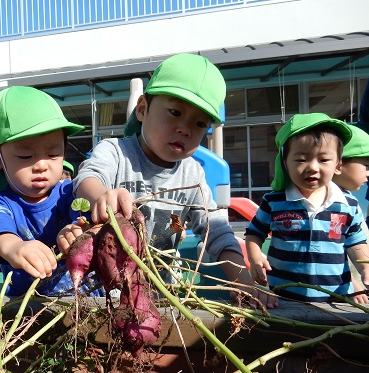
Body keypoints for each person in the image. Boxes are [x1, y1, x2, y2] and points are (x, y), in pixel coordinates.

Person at [67, 53, 274, 308]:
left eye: (200, 123)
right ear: (142, 109)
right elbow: (87, 178)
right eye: (175, 112)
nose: (185, 129)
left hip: (160, 298)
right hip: (105, 296)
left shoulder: (193, 174)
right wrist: (100, 195)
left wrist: (244, 283)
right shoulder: (115, 152)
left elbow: (217, 231)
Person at [0, 85, 102, 297]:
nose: (42, 166)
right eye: (26, 157)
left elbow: (88, 219)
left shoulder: (69, 193)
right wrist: (14, 247)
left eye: (53, 154)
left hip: (86, 302)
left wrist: (78, 229)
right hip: (28, 308)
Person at [245, 113, 369, 304]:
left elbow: (355, 241)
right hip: (284, 297)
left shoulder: (347, 205)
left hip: (336, 299)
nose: (312, 167)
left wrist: (365, 267)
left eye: (323, 160)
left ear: (338, 165)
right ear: (285, 163)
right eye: (301, 160)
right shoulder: (274, 201)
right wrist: (255, 259)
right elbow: (254, 233)